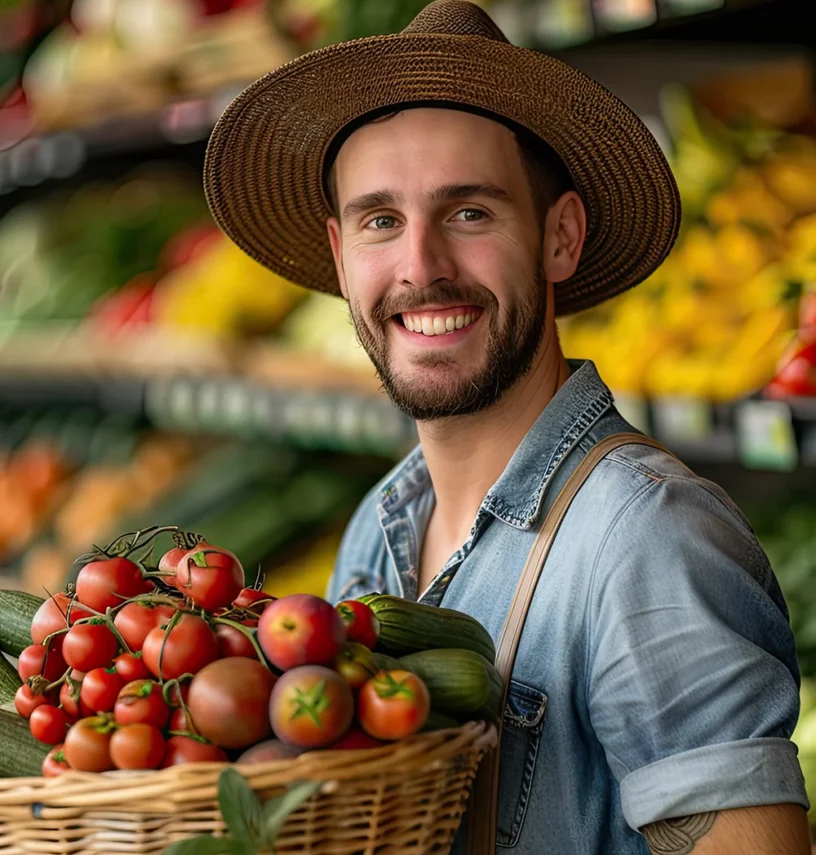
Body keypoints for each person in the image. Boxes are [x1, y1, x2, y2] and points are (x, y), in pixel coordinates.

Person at [203, 1, 811, 851]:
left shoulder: (645, 541)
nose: (421, 268)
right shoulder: (381, 528)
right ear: (342, 259)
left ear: (559, 238)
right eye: (382, 221)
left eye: (470, 212)